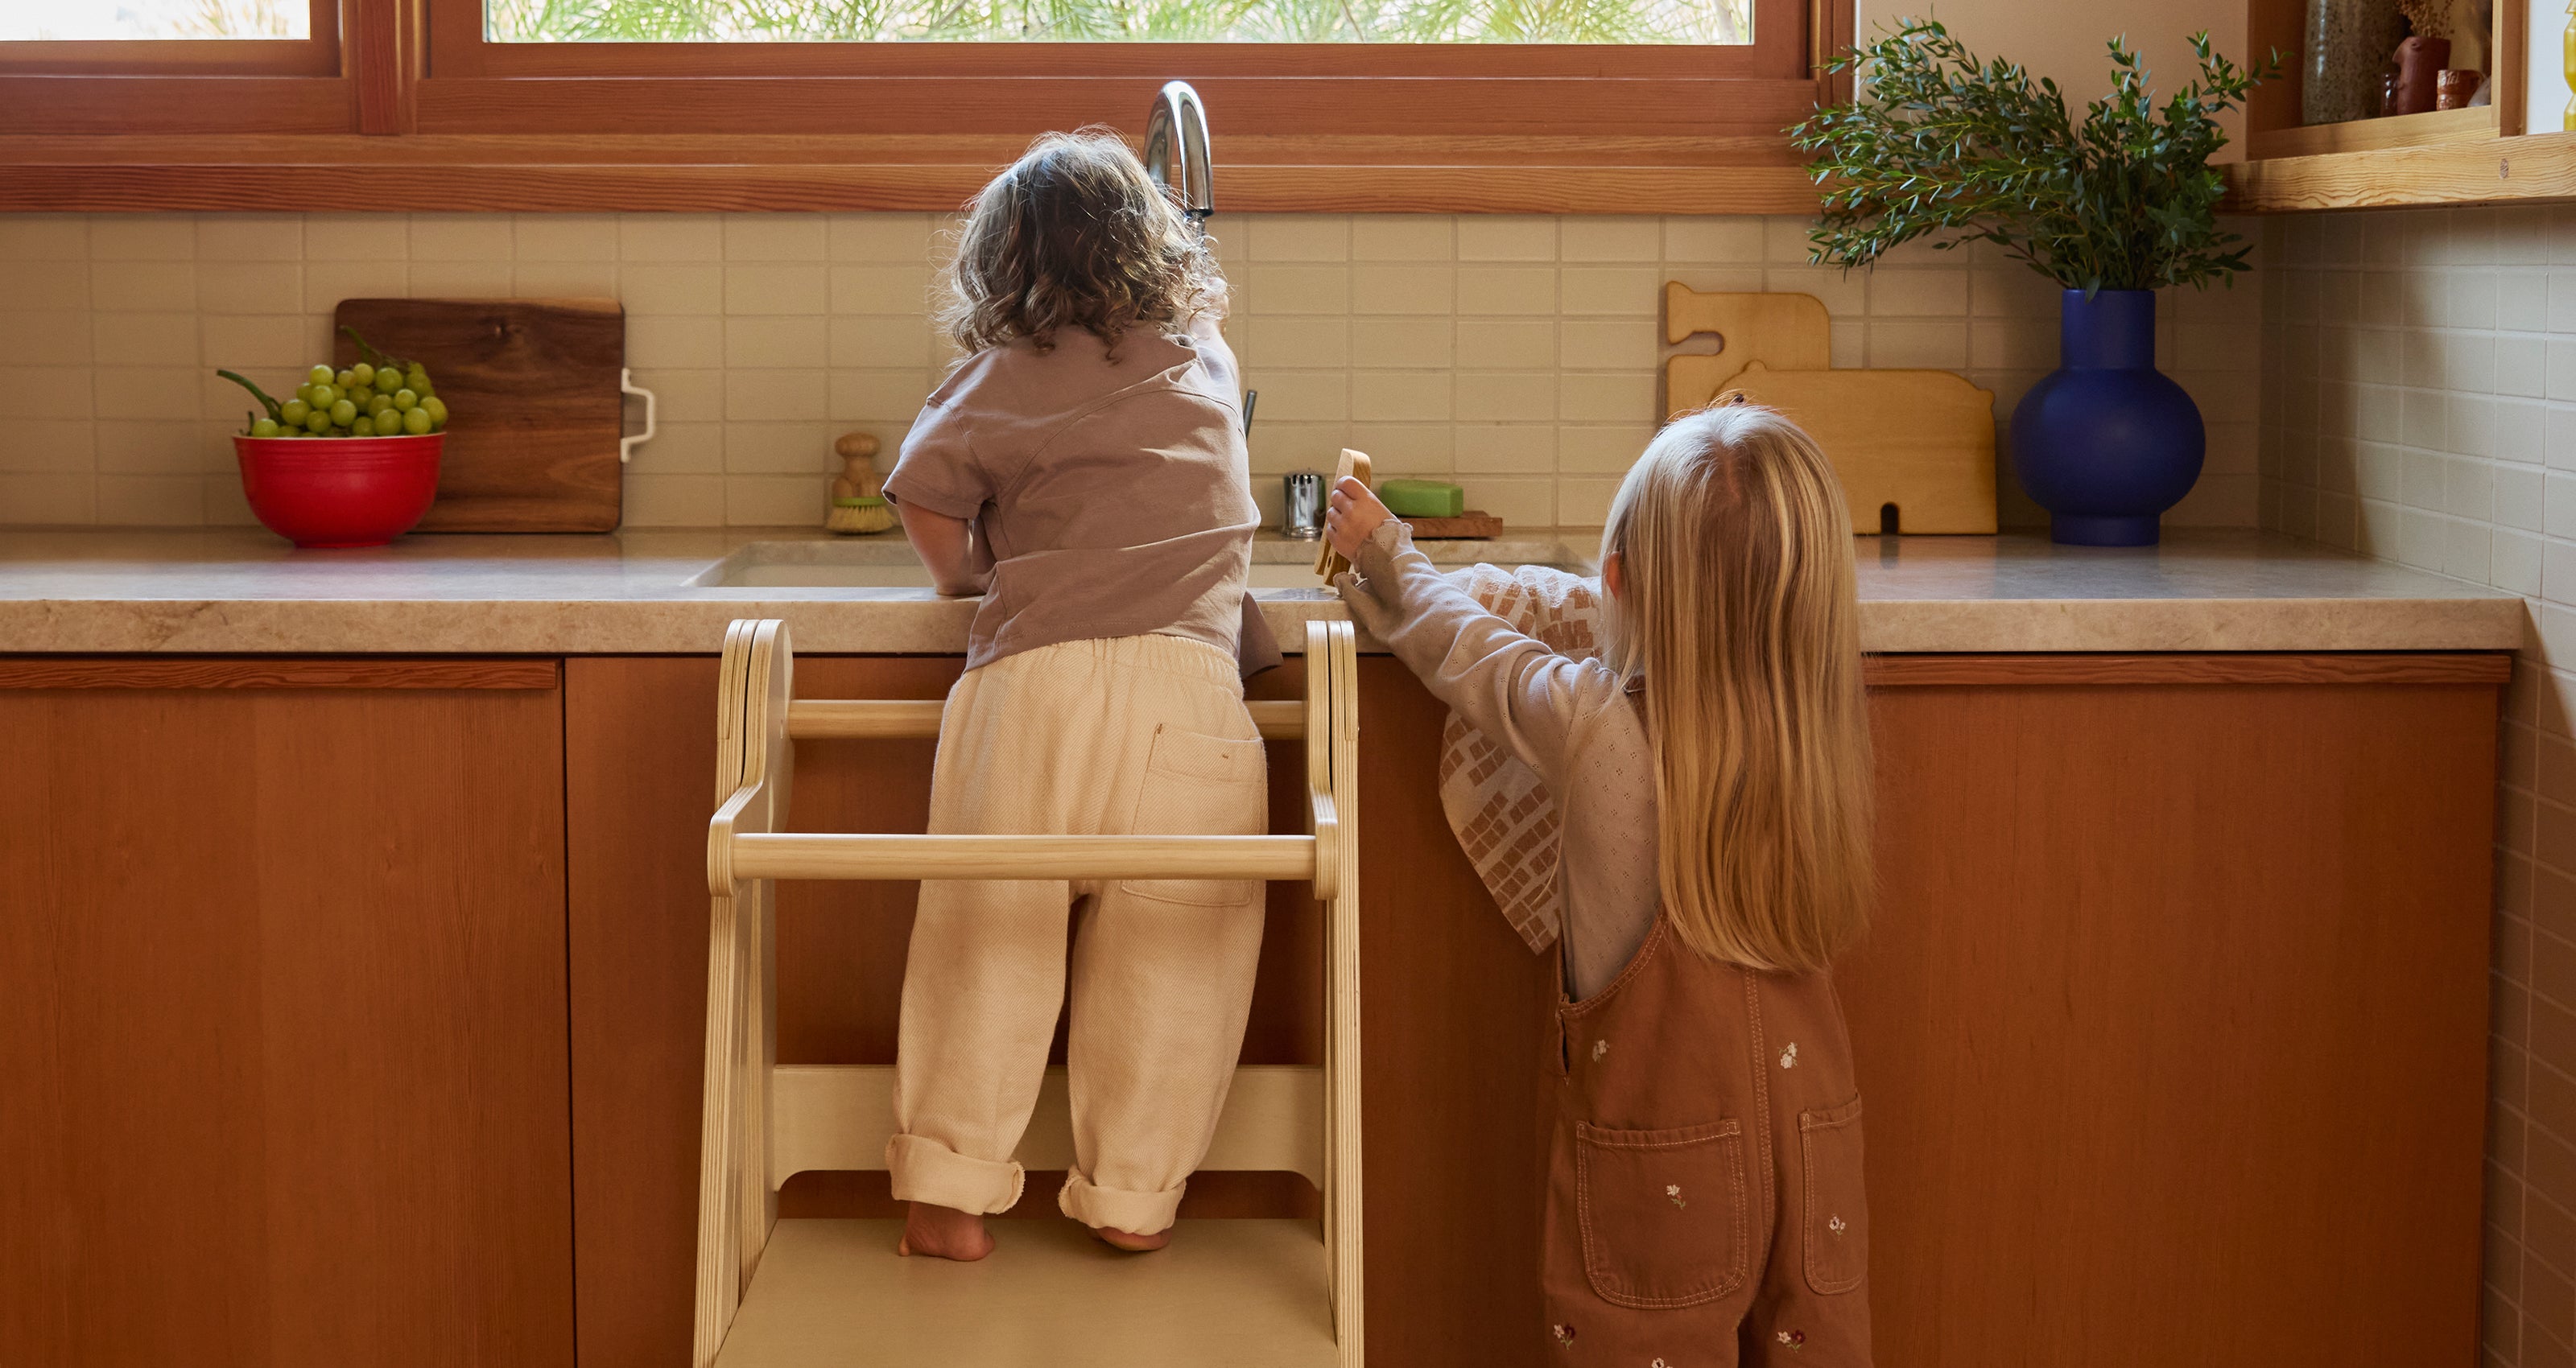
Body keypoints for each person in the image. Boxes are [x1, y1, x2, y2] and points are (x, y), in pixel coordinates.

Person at [1325, 404, 1877, 1365]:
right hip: (1815, 1141)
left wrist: (1385, 551)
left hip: (1659, 1162)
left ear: (1614, 581)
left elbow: (1469, 650)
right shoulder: (1816, 731)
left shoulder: (1596, 725)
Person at [881, 128, 1275, 1263]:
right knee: (1174, 955)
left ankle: (948, 1195)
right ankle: (1133, 1199)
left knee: (987, 941)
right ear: (1156, 250)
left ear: (1001, 268)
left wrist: (964, 572)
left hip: (1035, 689)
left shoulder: (1000, 372)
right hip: (1190, 692)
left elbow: (924, 494)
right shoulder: (1204, 358)